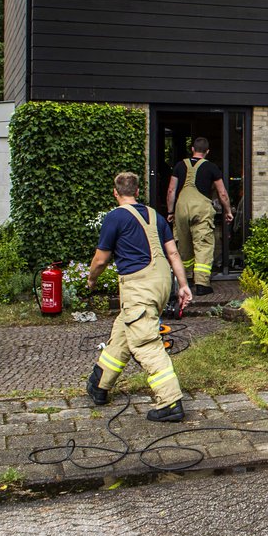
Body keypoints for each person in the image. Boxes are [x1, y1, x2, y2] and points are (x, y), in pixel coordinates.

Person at [84, 172, 195, 422]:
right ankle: (99, 385)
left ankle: (170, 402)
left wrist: (91, 279)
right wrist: (183, 285)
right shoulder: (156, 216)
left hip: (139, 287)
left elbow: (101, 259)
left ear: (115, 193)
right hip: (161, 282)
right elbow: (173, 253)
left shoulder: (115, 217)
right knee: (124, 332)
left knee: (145, 343)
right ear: (136, 191)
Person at [165, 137, 234, 299]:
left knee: (183, 244)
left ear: (192, 149)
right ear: (207, 151)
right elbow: (222, 193)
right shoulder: (211, 167)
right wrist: (228, 211)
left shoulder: (179, 166)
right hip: (201, 209)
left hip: (181, 209)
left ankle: (186, 279)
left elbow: (171, 191)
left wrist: (170, 212)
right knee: (203, 244)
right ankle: (202, 284)